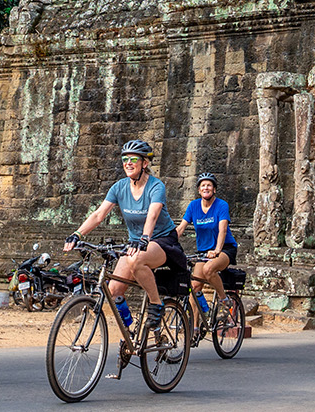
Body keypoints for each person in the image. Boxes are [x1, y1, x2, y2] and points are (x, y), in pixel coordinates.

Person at [65, 138, 188, 338]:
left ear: (144, 164)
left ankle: (156, 305)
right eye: (125, 159)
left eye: (133, 159)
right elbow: (98, 215)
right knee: (113, 291)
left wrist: (145, 238)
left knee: (136, 259)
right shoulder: (119, 187)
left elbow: (153, 214)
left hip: (163, 241)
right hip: (136, 244)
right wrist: (77, 234)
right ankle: (130, 332)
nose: (128, 163)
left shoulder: (156, 186)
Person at [177, 172, 237, 323]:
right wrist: (167, 242)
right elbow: (181, 228)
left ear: (214, 189)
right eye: (203, 185)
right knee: (194, 287)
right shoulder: (193, 206)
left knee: (208, 270)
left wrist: (217, 250)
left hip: (224, 249)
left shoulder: (221, 205)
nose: (206, 188)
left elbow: (222, 229)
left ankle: (224, 300)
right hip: (203, 251)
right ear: (199, 190)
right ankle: (196, 327)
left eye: (209, 185)